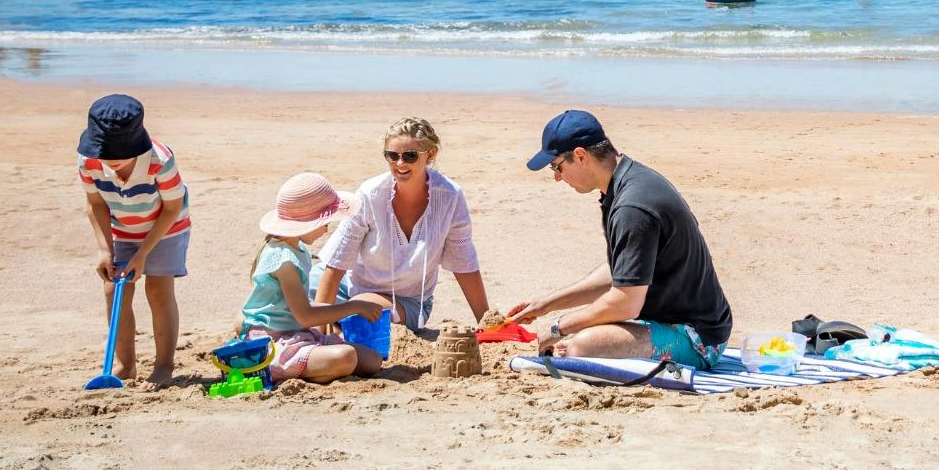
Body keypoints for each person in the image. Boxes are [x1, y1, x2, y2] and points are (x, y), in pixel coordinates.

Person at [507, 110, 732, 369]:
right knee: (585, 339)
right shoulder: (628, 180)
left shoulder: (632, 206)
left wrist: (559, 327)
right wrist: (546, 305)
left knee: (582, 347)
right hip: (673, 322)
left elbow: (626, 302)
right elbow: (622, 273)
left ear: (580, 156)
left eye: (557, 167)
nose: (557, 177)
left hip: (698, 339)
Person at [313, 117, 488, 333]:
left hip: (406, 302)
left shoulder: (450, 196)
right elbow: (337, 261)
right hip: (349, 285)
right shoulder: (370, 193)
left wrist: (486, 322)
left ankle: (340, 321)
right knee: (288, 300)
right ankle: (335, 322)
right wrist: (318, 333)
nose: (400, 164)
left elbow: (464, 263)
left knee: (360, 314)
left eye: (410, 156)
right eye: (392, 156)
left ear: (430, 155)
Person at [77, 94, 190, 389]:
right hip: (123, 228)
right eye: (105, 153)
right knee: (114, 289)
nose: (111, 161)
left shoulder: (159, 160)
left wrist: (142, 254)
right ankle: (126, 365)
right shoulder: (88, 160)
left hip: (166, 227)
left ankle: (164, 365)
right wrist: (105, 249)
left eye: (120, 154)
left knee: (158, 291)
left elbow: (172, 208)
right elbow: (95, 204)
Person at [242, 173, 388, 384]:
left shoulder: (297, 249)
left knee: (373, 360)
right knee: (346, 357)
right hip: (272, 343)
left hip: (296, 334)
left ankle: (311, 368)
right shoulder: (284, 259)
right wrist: (354, 306)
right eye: (325, 222)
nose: (326, 229)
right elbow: (306, 316)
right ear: (307, 222)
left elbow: (300, 310)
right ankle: (277, 370)